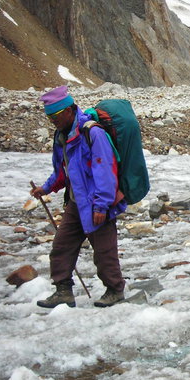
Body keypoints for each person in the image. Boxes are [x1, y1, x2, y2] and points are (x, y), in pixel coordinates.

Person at [31, 86, 127, 308]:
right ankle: (63, 291)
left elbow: (106, 173)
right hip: (76, 202)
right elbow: (63, 171)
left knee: (104, 252)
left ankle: (115, 290)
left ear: (68, 110)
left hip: (97, 203)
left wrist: (101, 206)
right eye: (49, 117)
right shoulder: (62, 136)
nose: (52, 121)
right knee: (61, 247)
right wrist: (46, 189)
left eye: (55, 116)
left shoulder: (93, 133)